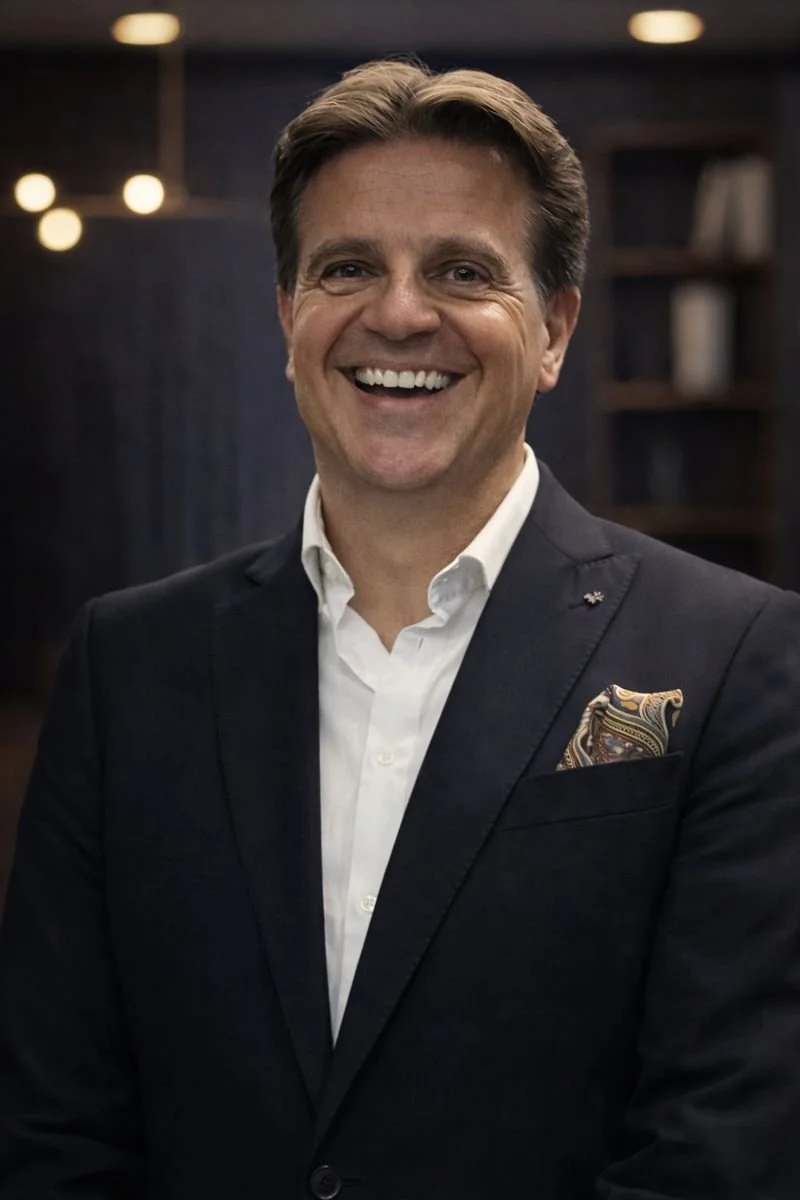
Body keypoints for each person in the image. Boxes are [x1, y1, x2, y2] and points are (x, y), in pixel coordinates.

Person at [1, 58, 800, 1200]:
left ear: (555, 329)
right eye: (348, 268)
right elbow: (53, 1126)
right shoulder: (126, 668)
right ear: (289, 319)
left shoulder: (738, 657)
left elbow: (722, 1141)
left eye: (463, 271)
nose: (399, 313)